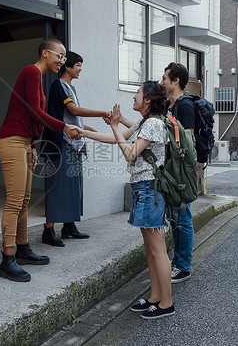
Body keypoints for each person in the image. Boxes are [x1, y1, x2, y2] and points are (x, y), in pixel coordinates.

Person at [76, 81, 175, 319]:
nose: (134, 96)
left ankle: (167, 303)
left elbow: (129, 152)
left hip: (151, 191)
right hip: (144, 189)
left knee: (158, 250)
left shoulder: (152, 123)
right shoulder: (145, 122)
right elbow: (115, 138)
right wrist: (83, 132)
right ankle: (154, 296)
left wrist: (114, 125)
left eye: (138, 93)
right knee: (150, 249)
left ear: (148, 100)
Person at [0, 38, 81, 282]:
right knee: (14, 201)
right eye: (60, 56)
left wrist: (33, 145)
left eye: (65, 58)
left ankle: (22, 250)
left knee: (24, 200)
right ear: (45, 53)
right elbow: (35, 112)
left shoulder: (38, 79)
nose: (63, 61)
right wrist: (64, 126)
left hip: (23, 142)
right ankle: (7, 258)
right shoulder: (31, 72)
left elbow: (30, 117)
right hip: (11, 140)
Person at [40, 51, 110, 247]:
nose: (80, 69)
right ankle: (48, 231)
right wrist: (103, 113)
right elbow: (73, 111)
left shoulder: (71, 88)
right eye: (78, 65)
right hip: (60, 143)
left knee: (73, 186)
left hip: (73, 142)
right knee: (57, 187)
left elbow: (70, 117)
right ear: (67, 67)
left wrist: (84, 128)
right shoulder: (59, 86)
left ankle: (69, 227)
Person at [160, 62, 194, 284]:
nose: (162, 81)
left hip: (180, 171)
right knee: (175, 217)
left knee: (182, 216)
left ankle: (183, 266)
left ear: (176, 81)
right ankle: (177, 262)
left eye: (165, 77)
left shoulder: (184, 106)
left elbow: (187, 140)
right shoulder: (168, 106)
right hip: (169, 170)